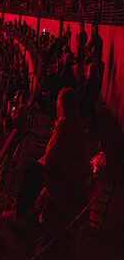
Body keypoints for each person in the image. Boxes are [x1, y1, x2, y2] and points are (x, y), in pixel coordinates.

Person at [39, 87, 91, 233]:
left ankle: (24, 214)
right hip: (75, 183)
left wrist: (42, 162)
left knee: (33, 172)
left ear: (60, 106)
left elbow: (50, 161)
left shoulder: (64, 127)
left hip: (65, 184)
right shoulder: (78, 126)